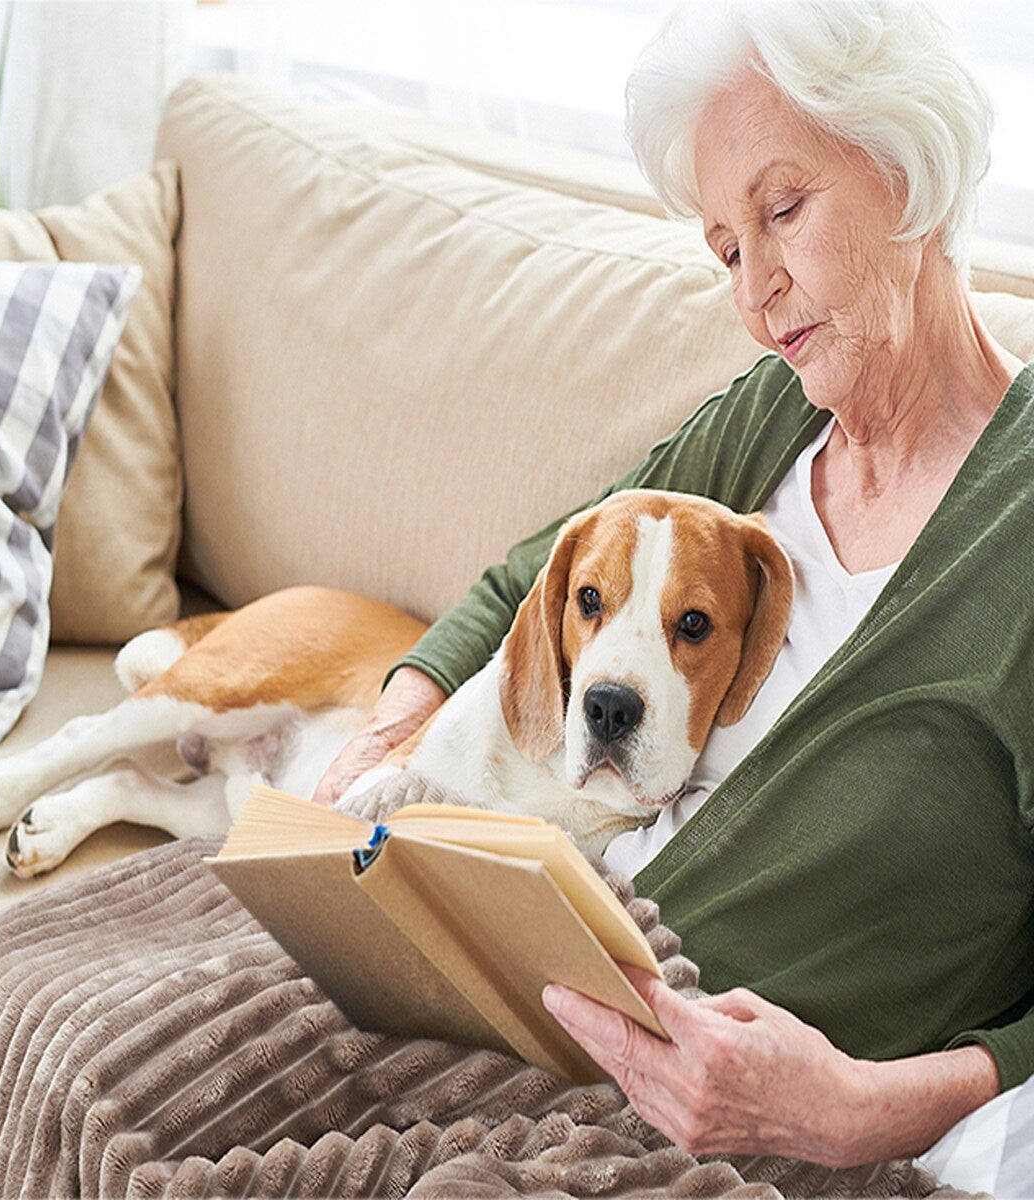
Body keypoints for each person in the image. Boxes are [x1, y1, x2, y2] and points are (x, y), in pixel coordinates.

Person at [312, 0, 1033, 1169]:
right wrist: (388, 732)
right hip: (508, 997)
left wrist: (859, 1107)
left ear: (912, 166)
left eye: (783, 211)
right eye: (727, 251)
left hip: (714, 1124)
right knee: (27, 1033)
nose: (757, 296)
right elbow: (530, 585)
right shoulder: (770, 421)